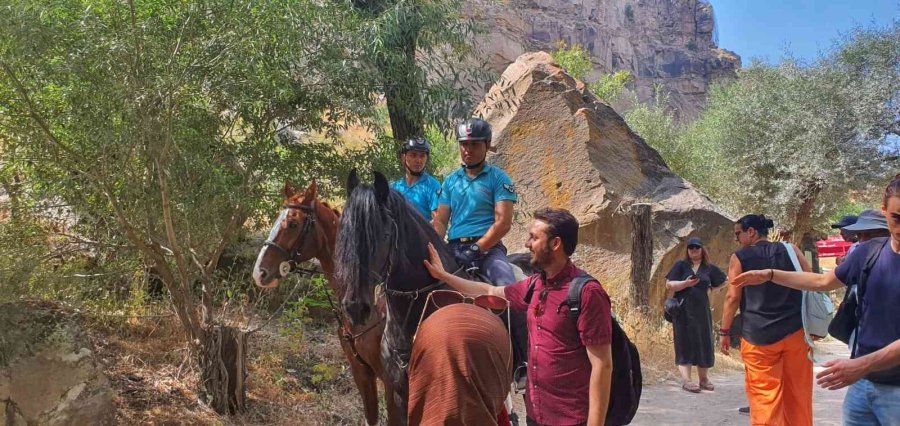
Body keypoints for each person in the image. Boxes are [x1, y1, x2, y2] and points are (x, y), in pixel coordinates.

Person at [733, 175, 900, 425]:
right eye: (897, 218)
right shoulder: (870, 251)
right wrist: (770, 275)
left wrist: (861, 365)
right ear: (883, 209)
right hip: (863, 387)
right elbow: (822, 282)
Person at [424, 208, 613, 426]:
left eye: (534, 237)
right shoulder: (535, 285)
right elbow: (489, 291)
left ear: (555, 244)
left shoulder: (587, 293)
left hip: (571, 419)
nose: (527, 244)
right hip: (536, 416)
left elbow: (602, 365)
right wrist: (444, 276)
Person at [432, 117, 528, 376]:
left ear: (487, 145)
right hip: (453, 249)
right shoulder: (450, 182)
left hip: (488, 250)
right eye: (464, 144)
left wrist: (478, 248)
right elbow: (440, 222)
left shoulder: (498, 179)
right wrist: (432, 245)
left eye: (474, 144)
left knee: (509, 290)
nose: (468, 149)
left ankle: (523, 362)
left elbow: (503, 222)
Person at [719, 214, 813, 426]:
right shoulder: (791, 250)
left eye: (738, 234)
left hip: (758, 337)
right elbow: (811, 281)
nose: (736, 239)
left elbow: (733, 297)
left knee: (764, 398)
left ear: (751, 231)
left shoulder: (739, 257)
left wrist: (724, 332)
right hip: (796, 333)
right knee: (798, 395)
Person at [664, 237, 727, 393]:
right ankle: (687, 380)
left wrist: (713, 289)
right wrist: (685, 283)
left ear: (702, 249)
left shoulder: (709, 268)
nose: (693, 250)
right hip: (682, 310)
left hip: (701, 311)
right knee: (683, 342)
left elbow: (725, 280)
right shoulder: (680, 265)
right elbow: (669, 284)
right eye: (691, 247)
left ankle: (703, 379)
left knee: (703, 342)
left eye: (697, 247)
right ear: (687, 250)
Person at [390, 137, 441, 220]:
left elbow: (438, 221)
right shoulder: (394, 188)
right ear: (403, 158)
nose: (418, 160)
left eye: (422, 156)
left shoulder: (432, 186)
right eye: (413, 155)